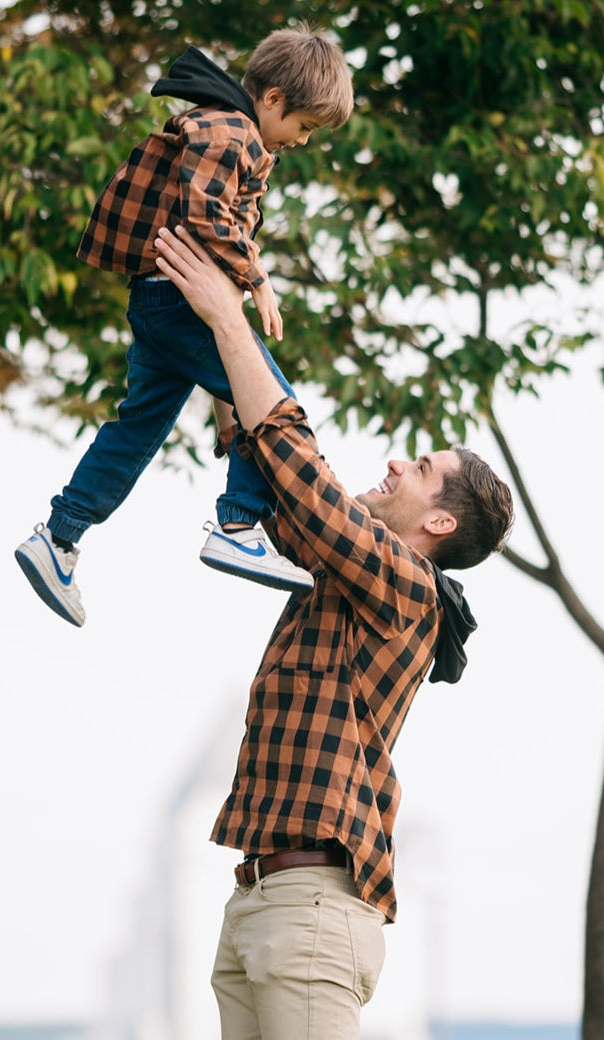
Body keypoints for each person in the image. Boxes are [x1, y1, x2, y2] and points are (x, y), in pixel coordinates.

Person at [152, 224, 515, 1039]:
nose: (393, 462)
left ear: (438, 520)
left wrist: (230, 325)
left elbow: (301, 476)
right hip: (259, 901)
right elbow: (273, 477)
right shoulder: (343, 570)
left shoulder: (404, 585)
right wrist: (214, 325)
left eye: (417, 470)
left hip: (312, 907)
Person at [15, 26, 353, 627]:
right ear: (273, 99)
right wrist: (259, 278)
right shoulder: (233, 131)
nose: (301, 141)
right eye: (304, 126)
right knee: (271, 403)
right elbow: (207, 213)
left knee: (138, 429)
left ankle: (60, 537)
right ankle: (239, 523)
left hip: (162, 303)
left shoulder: (232, 130)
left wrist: (227, 398)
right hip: (177, 301)